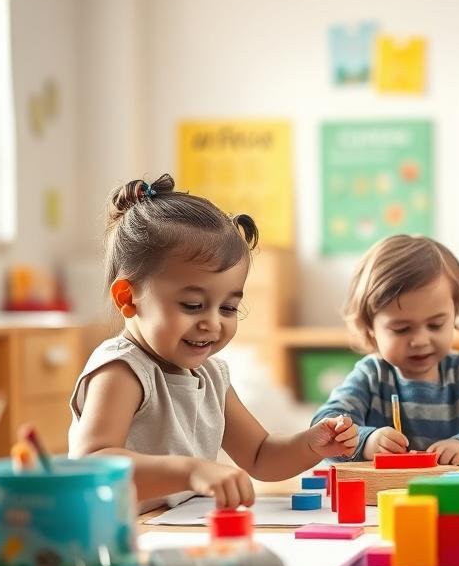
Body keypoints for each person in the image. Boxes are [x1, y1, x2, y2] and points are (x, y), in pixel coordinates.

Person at [69, 174, 357, 511]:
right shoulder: (122, 370)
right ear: (128, 297)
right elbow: (92, 463)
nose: (213, 322)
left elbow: (261, 455)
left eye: (229, 308)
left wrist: (311, 445)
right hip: (112, 536)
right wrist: (190, 471)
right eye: (192, 305)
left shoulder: (212, 376)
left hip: (173, 530)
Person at [312, 234, 459, 466]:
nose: (420, 340)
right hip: (380, 498)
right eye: (401, 329)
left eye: (435, 324)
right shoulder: (371, 375)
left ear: (455, 314)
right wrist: (367, 440)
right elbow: (323, 429)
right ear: (370, 327)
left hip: (452, 497)